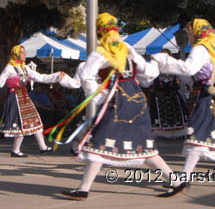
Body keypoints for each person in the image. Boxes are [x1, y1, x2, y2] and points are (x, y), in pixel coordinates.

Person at [60, 13, 184, 200]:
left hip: (117, 100)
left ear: (99, 31)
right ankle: (175, 181)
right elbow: (148, 72)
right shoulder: (127, 48)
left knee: (99, 142)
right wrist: (155, 63)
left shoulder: (101, 52)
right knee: (143, 145)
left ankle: (84, 189)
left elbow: (86, 77)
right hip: (137, 100)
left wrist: (100, 96)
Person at [152, 19, 215, 190]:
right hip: (209, 92)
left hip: (209, 95)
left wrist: (165, 61)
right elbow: (191, 75)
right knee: (207, 135)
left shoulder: (200, 48)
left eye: (189, 31)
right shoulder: (209, 46)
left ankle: (183, 180)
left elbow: (188, 69)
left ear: (196, 31)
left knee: (197, 135)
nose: (188, 35)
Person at [0, 45, 66, 157]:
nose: (24, 54)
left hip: (24, 97)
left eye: (24, 52)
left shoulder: (25, 68)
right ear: (16, 54)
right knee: (21, 124)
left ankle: (41, 147)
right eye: (22, 52)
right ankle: (17, 150)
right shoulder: (9, 68)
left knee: (35, 121)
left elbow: (41, 78)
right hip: (15, 97)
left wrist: (57, 76)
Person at [151, 49, 188, 139]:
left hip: (173, 96)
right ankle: (162, 134)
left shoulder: (174, 67)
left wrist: (190, 83)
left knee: (176, 114)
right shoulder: (155, 67)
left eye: (166, 55)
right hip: (159, 96)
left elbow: (183, 76)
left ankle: (176, 134)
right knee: (159, 114)